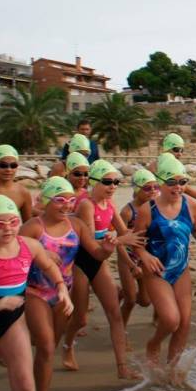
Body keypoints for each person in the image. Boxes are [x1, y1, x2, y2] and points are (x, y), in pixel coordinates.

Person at [20, 177, 112, 391]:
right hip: (35, 291)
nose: (67, 205)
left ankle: (33, 379)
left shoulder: (77, 226)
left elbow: (96, 254)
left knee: (47, 347)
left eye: (71, 200)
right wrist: (39, 252)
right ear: (48, 200)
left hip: (63, 294)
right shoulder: (33, 226)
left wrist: (108, 249)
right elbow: (14, 254)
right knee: (47, 346)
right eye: (60, 200)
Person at [132, 157, 196, 372]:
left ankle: (172, 370)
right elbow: (136, 243)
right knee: (170, 320)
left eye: (182, 181)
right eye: (171, 182)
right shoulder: (147, 210)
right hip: (156, 271)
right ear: (160, 182)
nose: (178, 187)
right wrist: (145, 256)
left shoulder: (191, 205)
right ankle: (154, 344)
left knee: (184, 323)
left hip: (180, 270)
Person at [62, 160, 144, 378]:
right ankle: (67, 345)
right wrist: (116, 241)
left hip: (100, 263)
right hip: (81, 263)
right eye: (107, 182)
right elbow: (90, 241)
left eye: (116, 182)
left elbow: (125, 233)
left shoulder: (110, 205)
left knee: (115, 314)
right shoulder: (86, 205)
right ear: (93, 182)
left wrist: (133, 261)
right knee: (80, 319)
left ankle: (122, 368)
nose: (113, 186)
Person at [0, 195, 73, 391]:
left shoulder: (29, 246)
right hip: (5, 307)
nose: (8, 229)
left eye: (13, 222)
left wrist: (61, 287)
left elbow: (49, 266)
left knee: (24, 383)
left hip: (12, 319)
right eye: (0, 224)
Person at [118, 169, 158, 326]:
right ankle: (121, 331)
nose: (153, 191)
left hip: (143, 257)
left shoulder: (155, 208)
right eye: (147, 188)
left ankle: (120, 292)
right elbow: (119, 241)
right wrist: (131, 265)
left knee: (146, 301)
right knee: (130, 301)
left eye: (156, 187)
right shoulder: (127, 212)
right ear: (136, 189)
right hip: (127, 258)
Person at [148, 133, 196, 205]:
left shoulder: (158, 161)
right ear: (167, 148)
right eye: (176, 149)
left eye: (182, 150)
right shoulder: (168, 162)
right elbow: (184, 188)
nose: (180, 153)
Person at [0, 145, 33, 222]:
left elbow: (27, 226)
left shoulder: (23, 193)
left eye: (13, 165)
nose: (8, 169)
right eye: (3, 165)